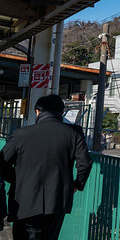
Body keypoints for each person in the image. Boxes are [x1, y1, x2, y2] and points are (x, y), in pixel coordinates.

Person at [0, 94, 91, 240]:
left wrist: (16, 179)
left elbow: (2, 162)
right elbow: (85, 164)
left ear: (37, 111)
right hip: (57, 201)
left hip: (24, 201)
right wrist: (77, 185)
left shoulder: (21, 135)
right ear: (62, 112)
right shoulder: (74, 133)